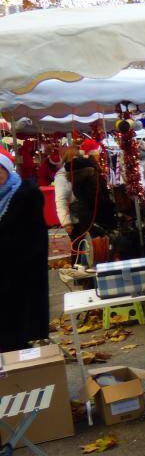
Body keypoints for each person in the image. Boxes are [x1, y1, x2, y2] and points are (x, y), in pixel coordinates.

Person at [0, 147, 48, 352]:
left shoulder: (28, 194)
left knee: (20, 324)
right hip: (4, 272)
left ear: (8, 170)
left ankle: (24, 371)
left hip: (22, 270)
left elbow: (35, 236)